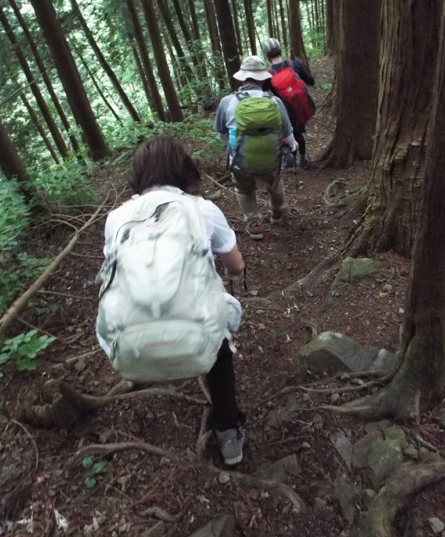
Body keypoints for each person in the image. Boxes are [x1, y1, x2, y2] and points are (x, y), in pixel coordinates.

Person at [100, 135, 247, 466]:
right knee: (220, 347)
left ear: (139, 175)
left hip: (131, 332)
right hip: (196, 322)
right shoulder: (203, 210)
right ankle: (228, 435)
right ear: (184, 170)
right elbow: (236, 265)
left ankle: (162, 364)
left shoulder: (116, 219)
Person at [213, 55, 297, 241]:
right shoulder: (274, 101)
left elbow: (221, 133)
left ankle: (253, 223)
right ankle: (278, 213)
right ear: (262, 77)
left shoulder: (227, 102)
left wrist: (234, 150)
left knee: (244, 190)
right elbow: (288, 133)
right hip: (272, 158)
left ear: (243, 77)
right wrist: (292, 147)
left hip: (241, 161)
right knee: (275, 184)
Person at [262, 38, 315, 168]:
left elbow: (263, 93)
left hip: (284, 110)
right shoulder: (295, 64)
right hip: (301, 105)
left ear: (267, 55)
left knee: (289, 132)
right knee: (298, 132)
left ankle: (290, 157)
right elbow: (310, 80)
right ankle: (303, 158)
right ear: (280, 50)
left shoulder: (268, 74)